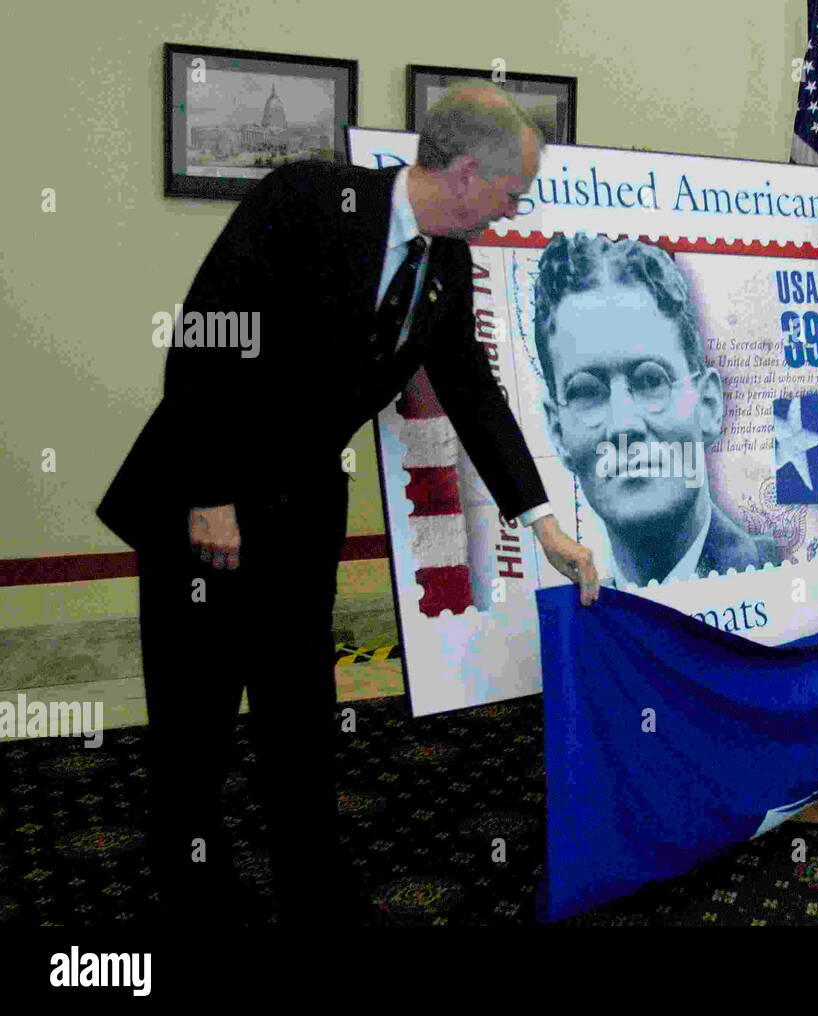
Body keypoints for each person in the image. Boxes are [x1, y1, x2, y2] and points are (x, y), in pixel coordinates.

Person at [96, 82, 598, 926]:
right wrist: (214, 495)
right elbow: (208, 335)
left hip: (300, 510)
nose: (510, 215)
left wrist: (540, 521)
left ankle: (312, 890)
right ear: (469, 172)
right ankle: (192, 888)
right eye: (513, 196)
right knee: (197, 716)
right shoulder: (307, 199)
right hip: (201, 500)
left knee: (300, 713)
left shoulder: (447, 264)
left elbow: (473, 396)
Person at [534, 233, 780, 589]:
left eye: (650, 381)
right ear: (558, 432)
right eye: (587, 392)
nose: (624, 424)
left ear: (708, 403)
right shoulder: (583, 620)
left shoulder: (784, 573)